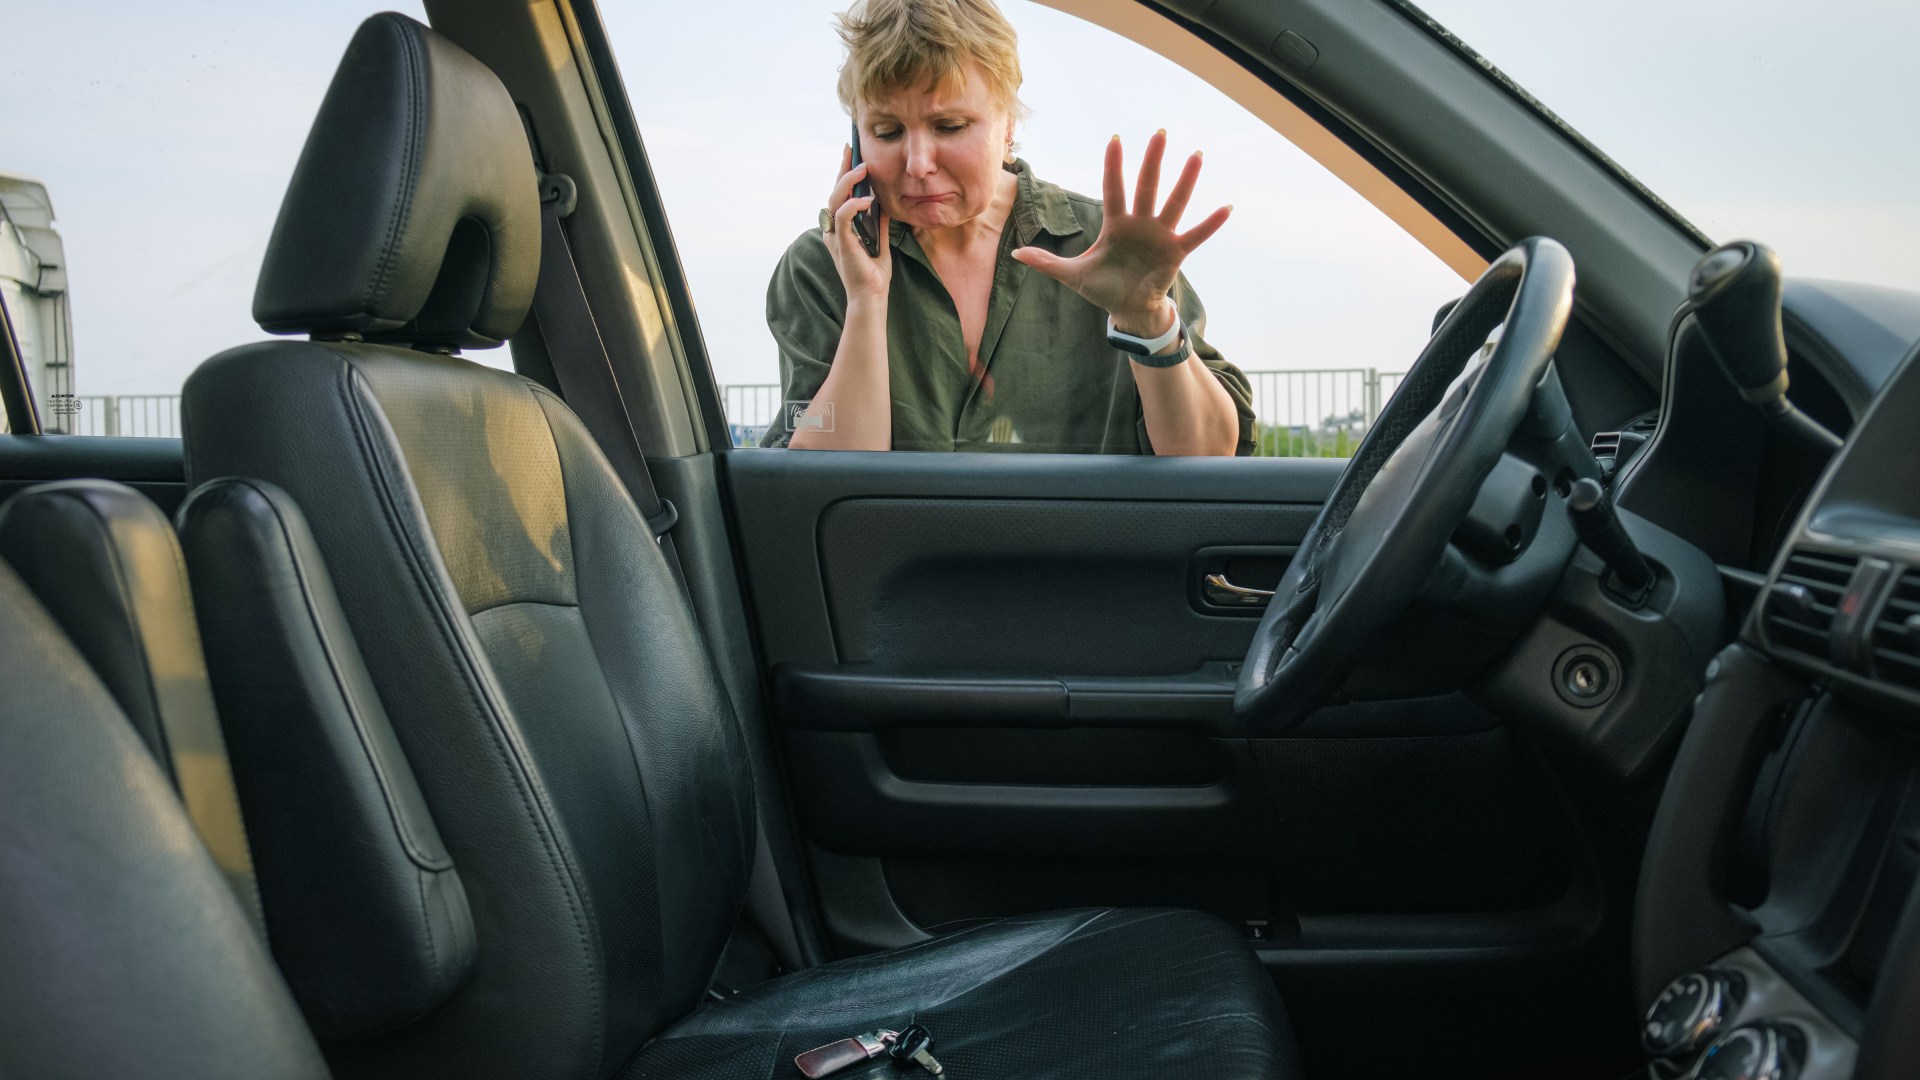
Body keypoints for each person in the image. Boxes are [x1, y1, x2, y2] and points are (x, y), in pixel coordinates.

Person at [760, 0, 1254, 454]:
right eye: (886, 132)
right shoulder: (821, 267)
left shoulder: (1107, 245)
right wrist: (866, 305)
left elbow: (1210, 456)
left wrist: (1148, 321)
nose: (917, 163)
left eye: (949, 126)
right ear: (857, 134)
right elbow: (823, 484)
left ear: (1008, 123)